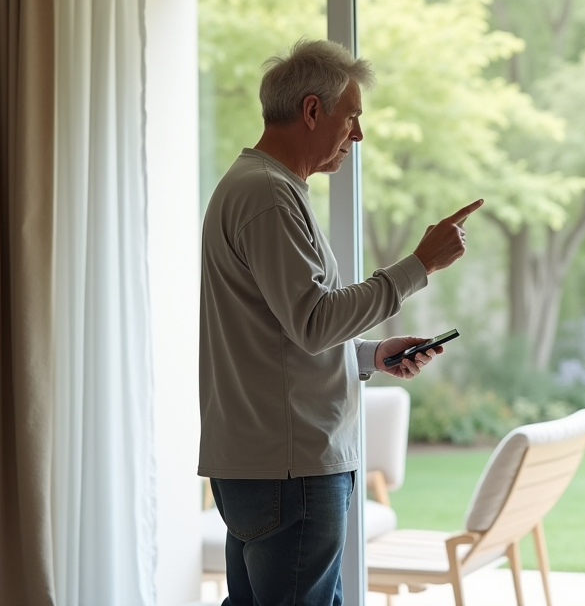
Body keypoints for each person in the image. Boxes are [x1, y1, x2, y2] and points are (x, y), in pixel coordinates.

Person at [198, 37, 483, 606]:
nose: (358, 134)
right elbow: (312, 322)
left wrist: (370, 355)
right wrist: (420, 264)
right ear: (311, 111)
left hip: (267, 463)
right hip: (292, 466)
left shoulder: (260, 189)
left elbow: (282, 333)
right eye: (351, 117)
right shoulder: (269, 197)